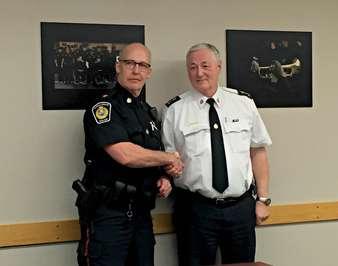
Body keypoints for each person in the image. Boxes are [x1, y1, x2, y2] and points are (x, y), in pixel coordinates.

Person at [162, 43, 272, 266]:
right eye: (192, 67)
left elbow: (258, 152)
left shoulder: (244, 103)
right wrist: (168, 170)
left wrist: (263, 199)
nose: (199, 72)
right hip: (195, 211)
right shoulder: (174, 110)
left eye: (205, 65)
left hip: (240, 209)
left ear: (219, 67)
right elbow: (166, 159)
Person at [75, 42, 183, 266]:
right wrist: (169, 158)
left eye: (143, 65)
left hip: (142, 215)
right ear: (118, 66)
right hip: (109, 215)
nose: (136, 70)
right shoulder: (103, 109)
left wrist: (165, 177)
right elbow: (126, 155)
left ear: (149, 72)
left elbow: (153, 157)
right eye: (130, 63)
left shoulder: (148, 114)